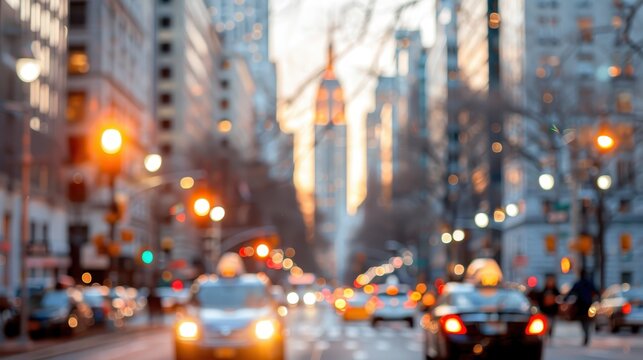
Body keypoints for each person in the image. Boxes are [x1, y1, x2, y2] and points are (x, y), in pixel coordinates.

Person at [565, 269, 598, 346]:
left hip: (581, 306)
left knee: (583, 321)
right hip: (587, 305)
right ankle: (586, 333)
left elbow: (571, 292)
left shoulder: (579, 283)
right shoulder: (589, 283)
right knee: (587, 321)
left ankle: (586, 333)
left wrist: (565, 299)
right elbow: (596, 291)